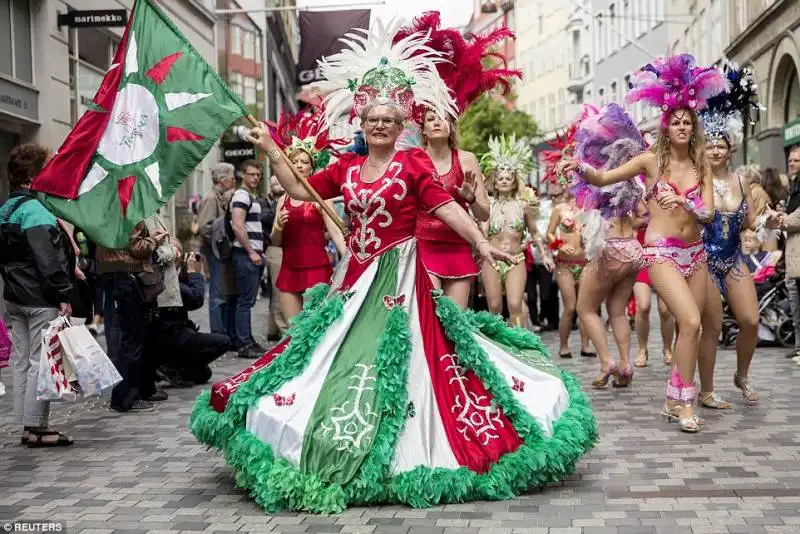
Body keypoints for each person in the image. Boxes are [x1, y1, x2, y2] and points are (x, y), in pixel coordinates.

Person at [190, 17, 596, 513]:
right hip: (355, 276)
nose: (379, 124)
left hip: (402, 274)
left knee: (414, 354)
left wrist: (480, 243)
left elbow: (445, 208)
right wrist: (274, 151)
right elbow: (300, 189)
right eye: (372, 118)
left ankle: (413, 438)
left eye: (388, 118)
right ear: (360, 123)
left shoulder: (412, 165)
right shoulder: (346, 168)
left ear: (401, 125)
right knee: (332, 351)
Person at [561, 53, 726, 433]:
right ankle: (684, 402)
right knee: (689, 319)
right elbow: (603, 178)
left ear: (693, 127)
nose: (682, 128)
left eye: (688, 123)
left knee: (693, 328)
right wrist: (580, 166)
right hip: (661, 252)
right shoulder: (650, 162)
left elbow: (709, 215)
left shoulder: (701, 164)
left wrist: (686, 202)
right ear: (666, 126)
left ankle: (675, 399)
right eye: (677, 123)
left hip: (696, 253)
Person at [696, 67, 781, 408]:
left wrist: (767, 219)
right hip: (703, 262)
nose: (715, 151)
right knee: (712, 328)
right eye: (710, 145)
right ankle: (706, 389)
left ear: (731, 149)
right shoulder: (696, 180)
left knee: (750, 320)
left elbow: (747, 222)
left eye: (721, 146)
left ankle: (741, 375)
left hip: (733, 260)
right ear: (703, 150)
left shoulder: (743, 182)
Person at [0, 143, 74, 446]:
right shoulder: (36, 211)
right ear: (34, 175)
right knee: (40, 362)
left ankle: (27, 424)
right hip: (38, 298)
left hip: (13, 297)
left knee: (22, 361)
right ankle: (35, 428)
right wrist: (63, 294)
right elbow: (48, 259)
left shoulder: (5, 209)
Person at [570, 103, 648, 388]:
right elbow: (644, 215)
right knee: (616, 309)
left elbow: (590, 209)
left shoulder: (601, 176)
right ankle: (626, 365)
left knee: (585, 308)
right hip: (632, 250)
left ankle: (607, 361)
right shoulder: (633, 179)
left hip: (610, 249)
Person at [266, 106, 347, 322]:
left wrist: (349, 261)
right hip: (290, 268)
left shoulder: (321, 198)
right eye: (295, 162)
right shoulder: (283, 199)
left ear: (312, 168)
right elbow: (275, 241)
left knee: (315, 328)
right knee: (293, 331)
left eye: (305, 162)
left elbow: (337, 233)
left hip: (317, 269)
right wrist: (278, 226)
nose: (300, 165)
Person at [480, 135, 551, 329]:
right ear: (494, 183)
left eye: (508, 179)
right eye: (500, 178)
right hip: (492, 260)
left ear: (514, 183)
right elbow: (480, 234)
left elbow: (535, 233)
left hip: (515, 259)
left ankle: (519, 348)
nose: (504, 181)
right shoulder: (487, 206)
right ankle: (498, 349)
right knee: (494, 306)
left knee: (514, 304)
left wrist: (545, 255)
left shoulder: (523, 207)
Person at [155, 253, 230, 387]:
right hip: (172, 339)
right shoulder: (167, 279)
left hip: (171, 336)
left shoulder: (165, 276)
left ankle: (174, 369)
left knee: (204, 373)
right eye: (178, 254)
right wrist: (193, 272)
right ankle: (171, 368)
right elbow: (196, 299)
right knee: (223, 341)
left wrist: (185, 272)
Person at [546, 186, 593, 358]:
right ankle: (563, 346)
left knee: (585, 306)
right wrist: (559, 245)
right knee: (570, 306)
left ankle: (585, 345)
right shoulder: (559, 209)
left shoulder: (591, 207)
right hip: (564, 264)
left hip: (587, 263)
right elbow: (549, 234)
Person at [230, 159, 267, 358]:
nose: (255, 178)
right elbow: (237, 225)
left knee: (248, 300)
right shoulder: (241, 195)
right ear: (242, 174)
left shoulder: (249, 196)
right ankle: (244, 343)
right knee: (244, 301)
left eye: (258, 175)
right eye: (251, 174)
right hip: (245, 254)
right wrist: (251, 251)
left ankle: (248, 340)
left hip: (252, 254)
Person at [197, 162, 236, 336]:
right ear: (221, 180)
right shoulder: (212, 198)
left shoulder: (221, 197)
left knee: (224, 292)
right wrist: (221, 241)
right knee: (218, 293)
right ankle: (218, 332)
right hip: (215, 252)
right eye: (231, 177)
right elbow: (205, 226)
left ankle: (223, 331)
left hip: (219, 252)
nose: (234, 180)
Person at [264, 176, 288, 338]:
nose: (278, 186)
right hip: (275, 248)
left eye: (280, 182)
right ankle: (282, 329)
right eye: (274, 184)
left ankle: (274, 330)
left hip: (291, 248)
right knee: (278, 290)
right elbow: (266, 219)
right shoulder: (266, 203)